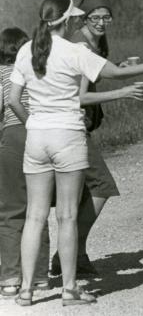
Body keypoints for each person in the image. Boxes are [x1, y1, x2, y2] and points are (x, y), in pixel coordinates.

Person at [9, 0, 143, 306]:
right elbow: (115, 74)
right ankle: (69, 289)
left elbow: (13, 100)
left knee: (35, 216)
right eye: (76, 18)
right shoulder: (74, 51)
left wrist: (31, 123)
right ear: (66, 21)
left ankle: (26, 291)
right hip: (68, 136)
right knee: (66, 215)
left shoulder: (26, 50)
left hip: (36, 136)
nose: (79, 21)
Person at [50, 0, 143, 279]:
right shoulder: (80, 44)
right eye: (95, 17)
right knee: (101, 186)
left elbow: (90, 76)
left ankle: (72, 256)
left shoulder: (94, 42)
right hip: (72, 127)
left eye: (106, 17)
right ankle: (69, 253)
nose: (101, 22)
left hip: (75, 127)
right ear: (82, 18)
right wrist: (122, 90)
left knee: (82, 193)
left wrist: (116, 68)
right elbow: (79, 95)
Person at [0, 28, 50, 297]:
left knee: (10, 211)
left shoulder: (1, 75)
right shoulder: (36, 72)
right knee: (38, 208)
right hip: (43, 135)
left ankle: (10, 277)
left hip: (14, 137)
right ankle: (41, 275)